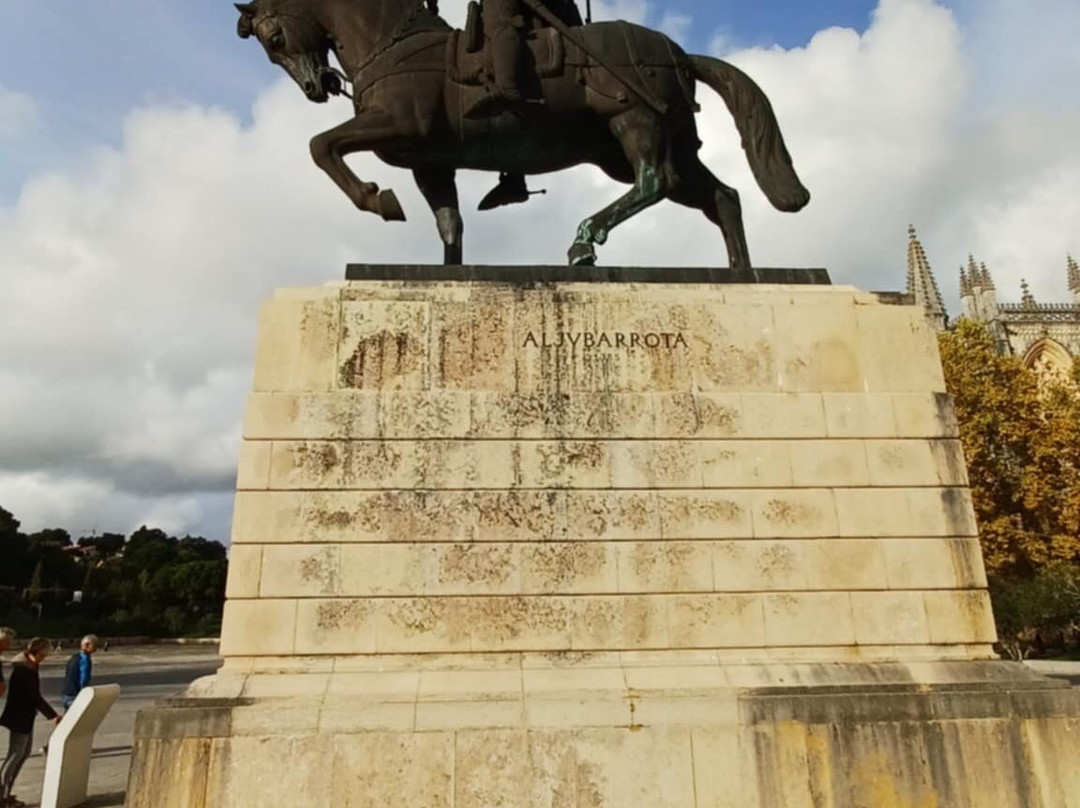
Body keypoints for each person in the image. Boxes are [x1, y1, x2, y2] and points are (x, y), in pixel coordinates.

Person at [0, 638, 60, 808]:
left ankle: (6, 794)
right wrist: (53, 715)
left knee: (23, 754)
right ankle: (1, 796)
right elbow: (34, 696)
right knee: (15, 755)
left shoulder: (30, 666)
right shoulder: (24, 670)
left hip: (25, 716)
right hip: (19, 717)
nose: (44, 659)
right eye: (43, 655)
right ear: (37, 652)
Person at [60, 635, 98, 712]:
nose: (96, 648)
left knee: (68, 719)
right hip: (74, 696)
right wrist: (84, 694)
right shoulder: (85, 659)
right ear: (86, 645)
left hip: (65, 694)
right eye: (94, 645)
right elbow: (84, 678)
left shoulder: (74, 657)